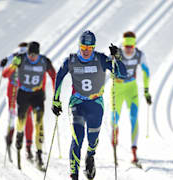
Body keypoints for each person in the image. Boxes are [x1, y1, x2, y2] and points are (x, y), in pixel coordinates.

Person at [51, 30, 127, 180]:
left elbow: (121, 74)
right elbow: (59, 76)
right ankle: (74, 175)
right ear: (79, 46)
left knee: (92, 141)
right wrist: (55, 100)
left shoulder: (101, 59)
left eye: (89, 48)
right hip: (77, 103)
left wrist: (117, 57)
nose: (86, 51)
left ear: (93, 47)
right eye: (83, 48)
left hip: (96, 104)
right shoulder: (71, 60)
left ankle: (90, 156)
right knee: (77, 139)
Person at [4, 41, 56, 170]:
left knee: (39, 123)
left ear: (38, 54)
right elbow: (5, 74)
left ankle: (39, 155)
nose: (32, 57)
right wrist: (12, 66)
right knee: (21, 121)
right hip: (23, 94)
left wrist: (56, 92)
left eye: (34, 55)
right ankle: (19, 134)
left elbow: (54, 75)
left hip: (37, 95)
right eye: (30, 54)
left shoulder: (44, 61)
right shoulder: (21, 59)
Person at [111, 31, 152, 165]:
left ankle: (134, 150)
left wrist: (146, 91)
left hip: (131, 88)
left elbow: (146, 72)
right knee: (115, 119)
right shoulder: (118, 53)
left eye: (131, 47)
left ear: (134, 45)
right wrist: (110, 58)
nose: (128, 49)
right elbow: (105, 66)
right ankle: (115, 132)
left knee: (134, 117)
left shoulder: (140, 55)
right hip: (117, 88)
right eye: (126, 46)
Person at [0, 42, 34, 161]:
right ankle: (10, 138)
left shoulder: (30, 61)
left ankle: (28, 147)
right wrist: (6, 64)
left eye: (25, 53)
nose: (23, 56)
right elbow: (0, 73)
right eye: (21, 53)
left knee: (28, 118)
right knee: (11, 117)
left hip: (25, 95)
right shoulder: (13, 59)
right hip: (12, 95)